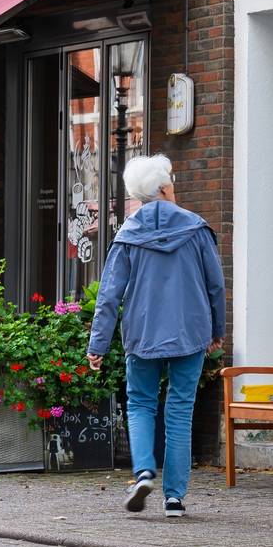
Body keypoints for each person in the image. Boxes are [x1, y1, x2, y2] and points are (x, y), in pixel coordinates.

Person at [87, 154, 226, 520]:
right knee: (180, 411)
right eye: (172, 183)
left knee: (140, 404)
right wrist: (217, 331)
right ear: (164, 188)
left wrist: (98, 344)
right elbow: (216, 286)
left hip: (143, 333)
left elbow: (109, 295)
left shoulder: (128, 234)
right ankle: (174, 499)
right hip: (189, 333)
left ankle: (144, 471)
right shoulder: (196, 228)